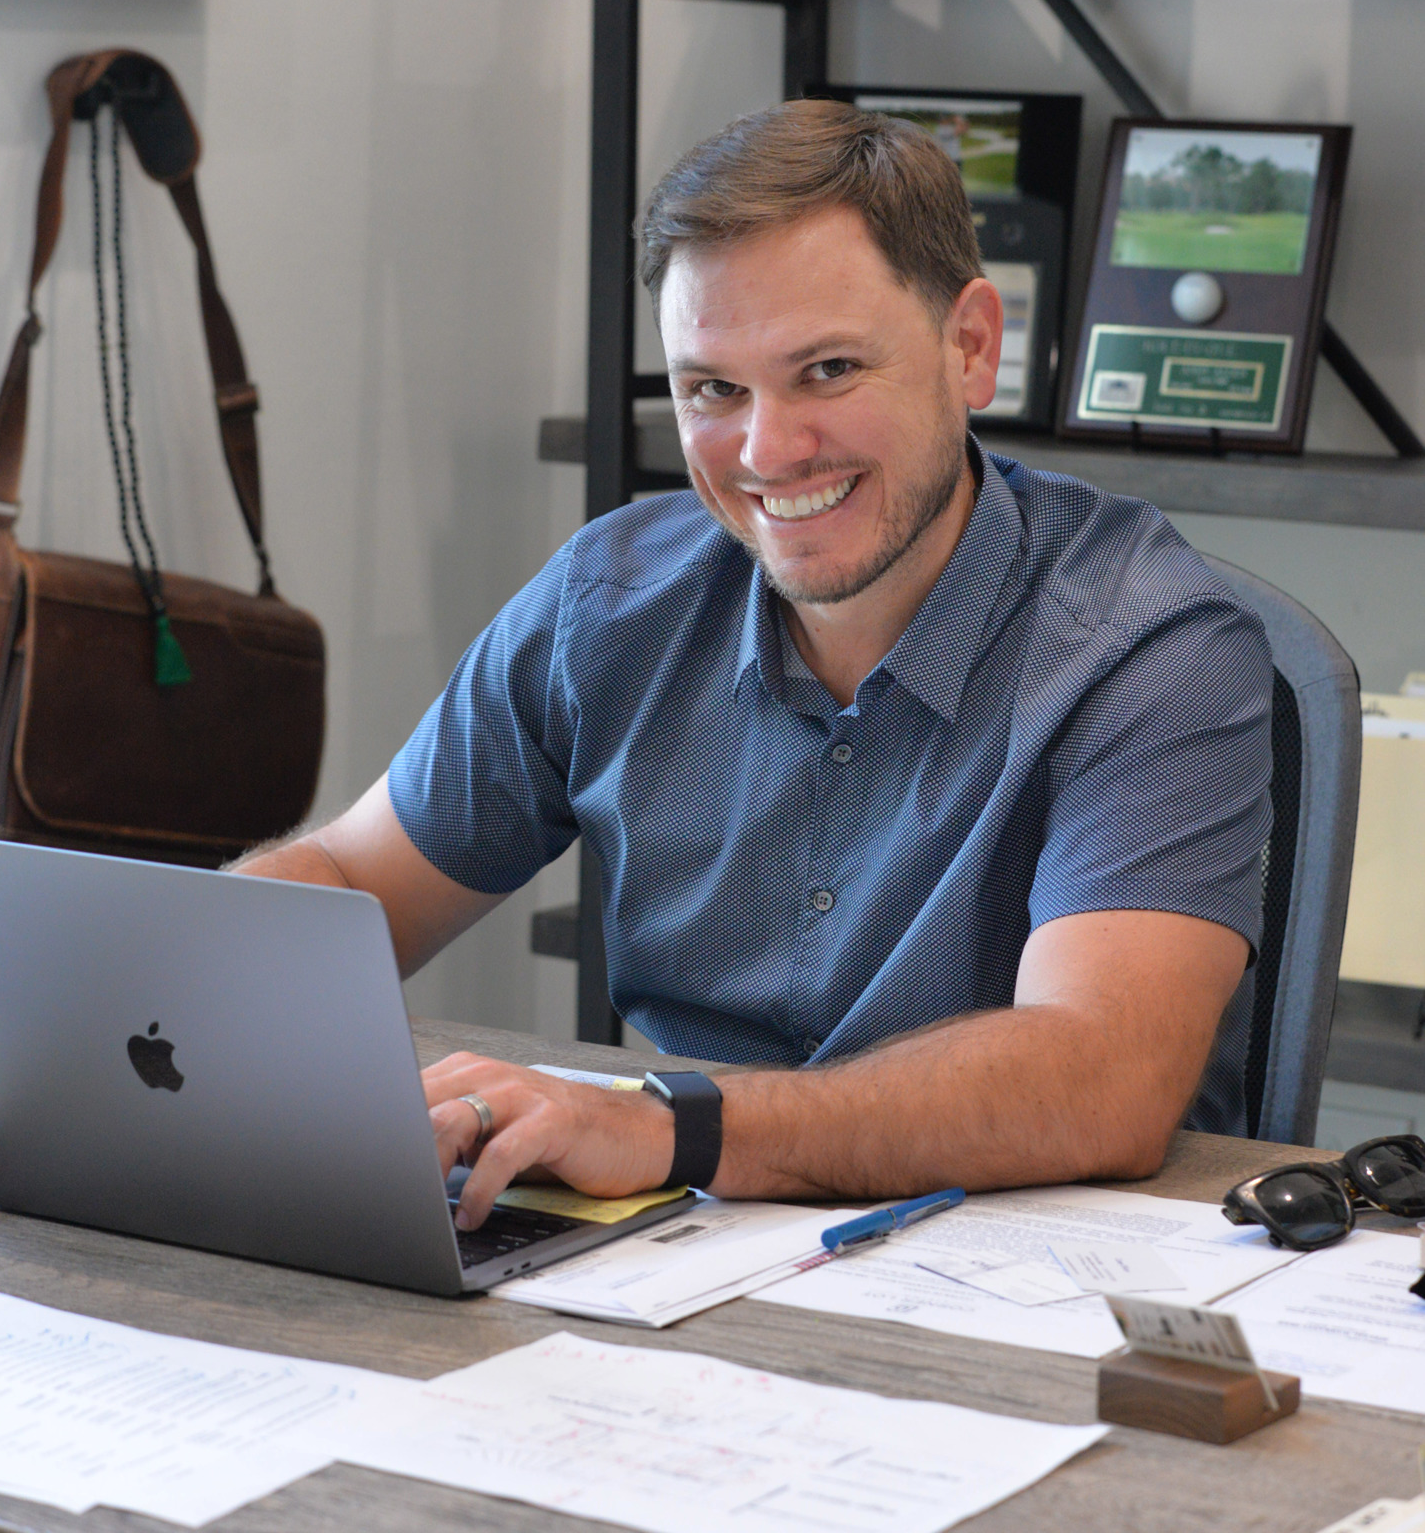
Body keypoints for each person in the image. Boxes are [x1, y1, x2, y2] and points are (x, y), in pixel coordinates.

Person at [236, 100, 1272, 1232]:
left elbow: (1098, 1078)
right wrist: (133, 993)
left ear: (970, 346)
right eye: (711, 389)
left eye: (826, 369)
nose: (765, 451)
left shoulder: (1149, 644)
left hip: (1035, 1287)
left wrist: (666, 1123)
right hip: (670, 1255)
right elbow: (347, 885)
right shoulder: (610, 601)